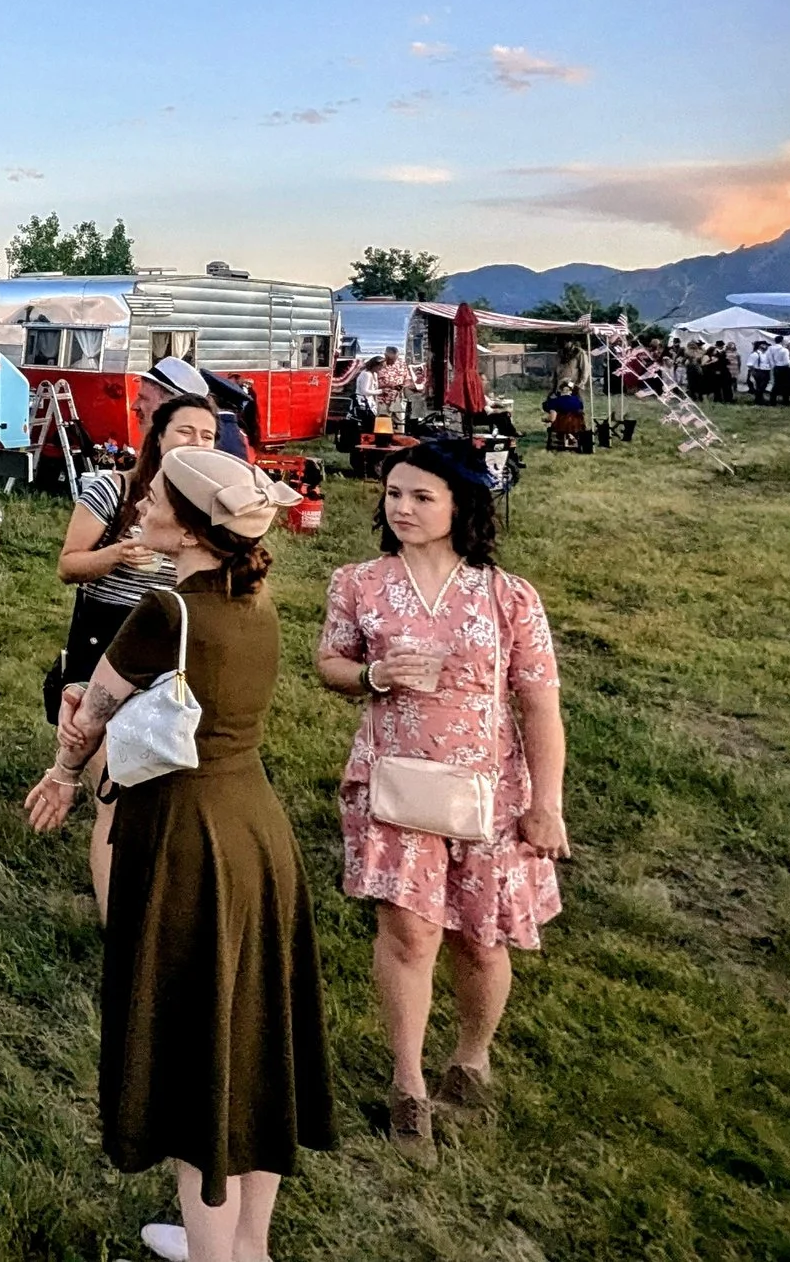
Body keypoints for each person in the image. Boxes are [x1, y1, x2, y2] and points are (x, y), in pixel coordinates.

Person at [24, 447, 331, 1262]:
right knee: (255, 1037)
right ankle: (250, 1246)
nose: (142, 506)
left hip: (189, 834)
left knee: (197, 1055)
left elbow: (91, 708)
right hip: (258, 830)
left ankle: (212, 1253)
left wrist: (61, 774)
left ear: (191, 527)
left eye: (155, 497)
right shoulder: (254, 598)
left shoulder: (167, 611)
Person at [315, 441, 571, 1163]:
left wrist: (546, 803)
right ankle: (408, 1087)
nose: (402, 507)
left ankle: (471, 1058)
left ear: (462, 504)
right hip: (395, 787)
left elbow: (541, 705)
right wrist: (372, 675)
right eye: (394, 493)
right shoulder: (360, 583)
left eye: (421, 496)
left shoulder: (508, 595)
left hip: (492, 796)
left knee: (481, 940)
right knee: (409, 935)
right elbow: (329, 662)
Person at [49, 392, 220, 913]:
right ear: (158, 436)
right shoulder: (114, 489)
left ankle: (156, 908)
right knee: (115, 791)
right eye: (185, 431)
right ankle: (116, 925)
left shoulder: (209, 504)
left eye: (208, 435)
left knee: (160, 793)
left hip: (174, 653)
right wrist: (116, 554)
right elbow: (68, 565)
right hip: (106, 645)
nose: (197, 442)